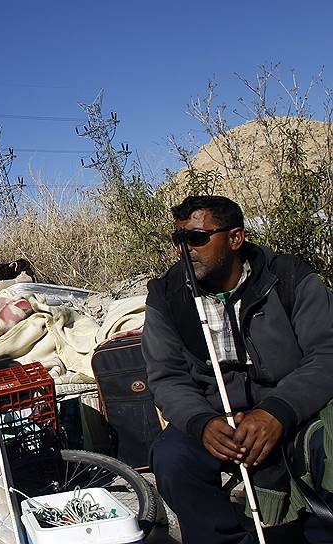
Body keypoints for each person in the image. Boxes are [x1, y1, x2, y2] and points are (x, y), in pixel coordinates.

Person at [143, 195, 333, 543]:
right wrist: (202, 423)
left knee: (328, 441)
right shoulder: (167, 295)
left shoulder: (288, 277)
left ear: (234, 239)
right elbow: (166, 377)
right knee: (172, 457)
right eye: (178, 239)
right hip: (215, 415)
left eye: (197, 238)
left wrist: (276, 412)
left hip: (290, 404)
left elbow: (325, 355)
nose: (185, 249)